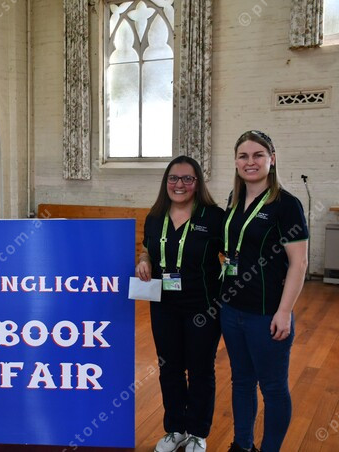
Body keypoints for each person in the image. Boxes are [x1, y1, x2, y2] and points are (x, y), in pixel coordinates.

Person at [221, 131, 308, 452]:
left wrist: (284, 312)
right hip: (232, 310)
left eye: (258, 155)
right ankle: (242, 445)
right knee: (242, 381)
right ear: (235, 162)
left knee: (272, 388)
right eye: (243, 156)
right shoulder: (233, 199)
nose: (251, 162)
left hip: (267, 314)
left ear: (272, 159)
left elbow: (299, 263)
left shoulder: (287, 205)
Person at [135, 156, 224, 452]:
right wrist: (144, 261)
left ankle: (197, 432)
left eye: (188, 178)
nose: (180, 184)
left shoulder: (214, 217)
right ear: (166, 182)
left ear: (198, 183)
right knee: (169, 368)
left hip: (203, 305)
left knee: (200, 369)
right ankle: (175, 428)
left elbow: (234, 255)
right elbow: (148, 248)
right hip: (164, 305)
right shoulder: (155, 216)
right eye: (173, 178)